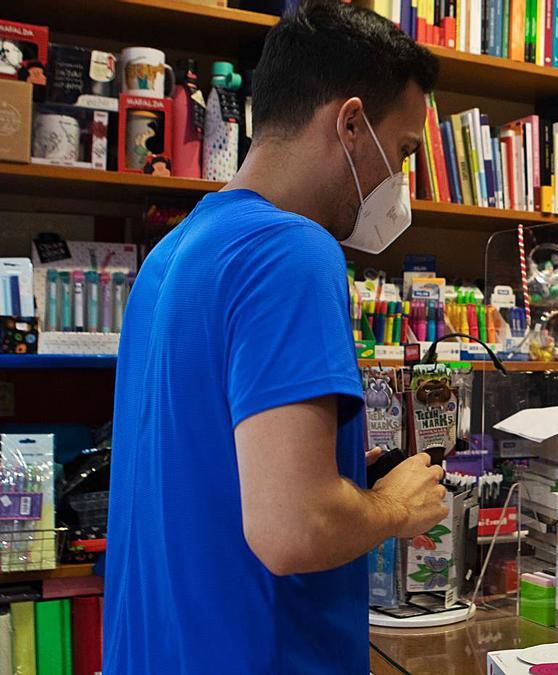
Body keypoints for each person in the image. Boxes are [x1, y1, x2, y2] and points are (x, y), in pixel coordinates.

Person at [104, 3, 443, 672]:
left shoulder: (172, 254)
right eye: (402, 152)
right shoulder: (292, 250)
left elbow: (211, 473)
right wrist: (391, 505)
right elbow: (294, 529)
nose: (401, 187)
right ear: (349, 124)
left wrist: (335, 470)